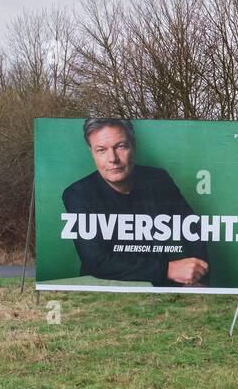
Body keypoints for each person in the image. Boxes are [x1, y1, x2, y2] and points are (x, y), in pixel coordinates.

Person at [61, 118, 210, 286]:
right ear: (92, 152)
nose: (113, 159)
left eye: (121, 146)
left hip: (160, 286)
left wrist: (198, 277)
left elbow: (193, 229)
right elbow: (97, 261)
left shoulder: (158, 179)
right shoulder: (77, 194)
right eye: (101, 150)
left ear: (133, 145)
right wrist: (167, 269)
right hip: (105, 288)